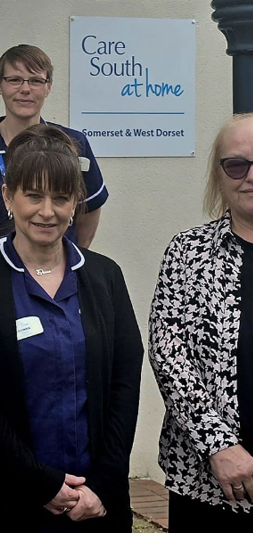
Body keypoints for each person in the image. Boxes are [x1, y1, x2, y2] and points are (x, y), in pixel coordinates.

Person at [0, 124, 143, 532]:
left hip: (96, 503)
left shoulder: (105, 276)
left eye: (61, 197)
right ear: (8, 197)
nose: (47, 212)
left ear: (77, 203)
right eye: (33, 195)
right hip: (13, 501)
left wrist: (103, 483)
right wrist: (40, 483)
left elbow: (125, 383)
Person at [149, 113, 253, 530]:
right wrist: (219, 445)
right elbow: (168, 355)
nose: (250, 176)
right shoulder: (188, 253)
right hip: (206, 480)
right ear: (219, 174)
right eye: (237, 165)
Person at [0, 44, 108, 260]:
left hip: (58, 271)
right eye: (15, 80)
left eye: (36, 81)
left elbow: (89, 212)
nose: (25, 89)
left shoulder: (73, 144)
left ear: (48, 87)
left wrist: (68, 262)